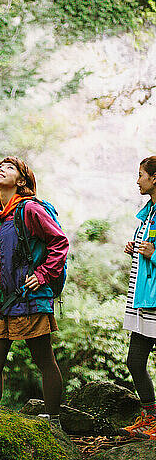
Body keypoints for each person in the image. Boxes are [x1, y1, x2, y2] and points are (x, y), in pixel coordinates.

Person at [0, 156, 69, 427]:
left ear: (21, 181)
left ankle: (53, 420)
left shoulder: (30, 209)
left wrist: (43, 275)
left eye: (9, 168)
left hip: (29, 298)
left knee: (43, 359)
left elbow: (60, 243)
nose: (1, 169)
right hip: (0, 302)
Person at [122, 157, 156, 438]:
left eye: (141, 175)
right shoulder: (148, 212)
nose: (138, 180)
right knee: (135, 361)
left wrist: (152, 254)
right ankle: (150, 417)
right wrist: (135, 247)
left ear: (154, 178)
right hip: (142, 300)